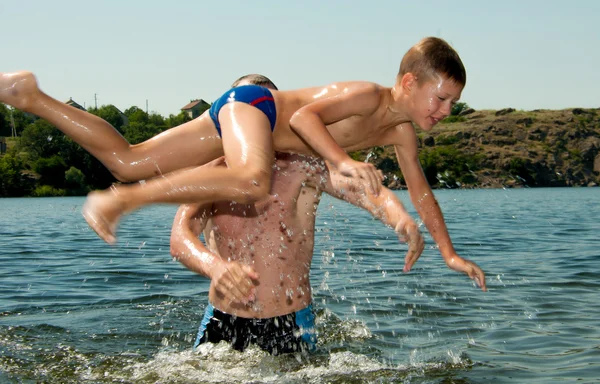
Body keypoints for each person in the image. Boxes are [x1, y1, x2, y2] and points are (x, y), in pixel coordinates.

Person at [0, 37, 466, 254]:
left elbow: (421, 192)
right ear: (409, 82)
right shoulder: (366, 94)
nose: (444, 110)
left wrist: (447, 250)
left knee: (129, 160)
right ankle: (125, 200)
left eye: (452, 103)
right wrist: (341, 161)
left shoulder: (402, 133)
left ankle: (30, 97)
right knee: (252, 180)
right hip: (255, 103)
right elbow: (304, 117)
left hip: (237, 112)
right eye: (441, 98)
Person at [170, 151, 432, 354]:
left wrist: (401, 219)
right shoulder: (213, 175)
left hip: (291, 321)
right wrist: (215, 266)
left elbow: (364, 190)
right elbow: (181, 237)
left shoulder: (304, 168)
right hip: (222, 317)